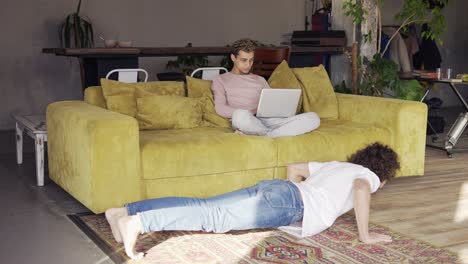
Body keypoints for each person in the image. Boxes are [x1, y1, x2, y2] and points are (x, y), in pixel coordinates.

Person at [105, 142, 400, 260]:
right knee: (214, 218)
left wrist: (298, 194)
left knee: (206, 205)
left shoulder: (339, 165)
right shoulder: (368, 176)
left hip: (279, 190)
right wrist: (365, 235)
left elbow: (296, 168)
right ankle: (140, 222)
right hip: (287, 201)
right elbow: (362, 189)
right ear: (383, 172)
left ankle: (125, 211)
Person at [211, 38, 320, 138]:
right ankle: (274, 134)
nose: (248, 65)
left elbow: (271, 102)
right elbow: (220, 108)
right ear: (233, 57)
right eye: (244, 60)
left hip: (268, 119)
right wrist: (251, 112)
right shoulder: (220, 79)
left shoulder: (260, 79)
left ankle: (267, 135)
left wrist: (279, 110)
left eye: (251, 60)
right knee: (239, 115)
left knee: (313, 118)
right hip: (247, 120)